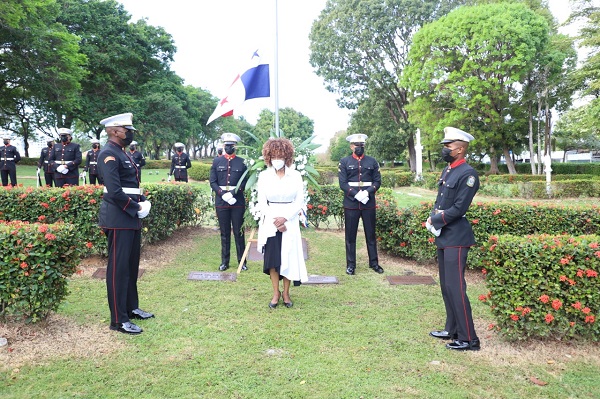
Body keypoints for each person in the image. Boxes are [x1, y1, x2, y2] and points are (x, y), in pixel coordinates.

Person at [97, 112, 154, 335]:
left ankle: (131, 308)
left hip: (129, 217)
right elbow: (114, 191)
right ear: (113, 131)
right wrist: (135, 207)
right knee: (118, 270)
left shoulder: (122, 153)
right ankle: (118, 319)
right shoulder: (108, 154)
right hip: (119, 217)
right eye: (125, 129)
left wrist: (142, 201)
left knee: (131, 266)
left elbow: (129, 186)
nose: (129, 133)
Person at [427, 127, 481, 351]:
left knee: (456, 286)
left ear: (460, 149)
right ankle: (452, 329)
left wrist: (436, 220)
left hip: (456, 236)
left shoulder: (468, 174)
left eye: (448, 147)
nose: (445, 150)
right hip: (445, 235)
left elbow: (459, 208)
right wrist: (433, 217)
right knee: (446, 285)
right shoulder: (449, 170)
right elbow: (441, 202)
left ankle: (469, 338)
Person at [256, 138, 308, 309]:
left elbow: (299, 201)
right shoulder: (264, 176)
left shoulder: (296, 176)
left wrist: (285, 218)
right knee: (272, 259)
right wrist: (276, 221)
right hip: (270, 222)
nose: (277, 158)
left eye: (280, 155)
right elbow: (262, 202)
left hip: (290, 222)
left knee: (288, 257)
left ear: (287, 156)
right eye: (274, 155)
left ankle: (286, 293)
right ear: (268, 157)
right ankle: (275, 292)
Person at [338, 133, 384, 275]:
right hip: (351, 204)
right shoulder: (344, 162)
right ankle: (351, 265)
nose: (359, 147)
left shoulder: (372, 162)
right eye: (357, 145)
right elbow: (343, 183)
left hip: (368, 203)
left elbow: (377, 181)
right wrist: (355, 194)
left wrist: (367, 192)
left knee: (370, 234)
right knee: (350, 236)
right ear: (351, 146)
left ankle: (374, 263)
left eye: (361, 145)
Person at [209, 133, 248, 272]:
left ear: (235, 146)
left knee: (239, 232)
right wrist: (222, 194)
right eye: (227, 145)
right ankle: (224, 262)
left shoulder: (242, 162)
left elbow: (244, 181)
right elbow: (212, 181)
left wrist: (233, 193)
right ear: (223, 146)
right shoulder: (217, 161)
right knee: (224, 233)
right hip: (221, 201)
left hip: (237, 201)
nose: (229, 148)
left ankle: (242, 261)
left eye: (231, 146)